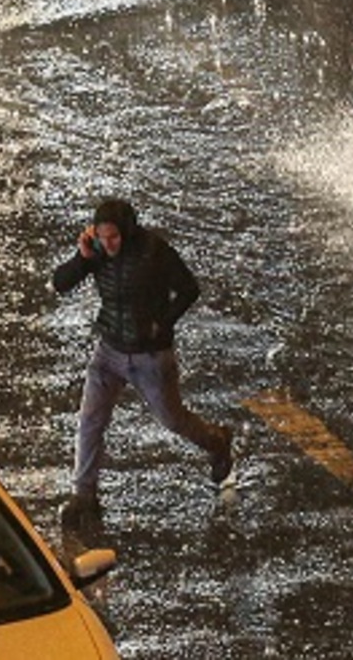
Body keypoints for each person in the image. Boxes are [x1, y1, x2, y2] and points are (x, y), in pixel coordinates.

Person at [53, 198, 234, 525]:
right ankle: (84, 495)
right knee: (90, 419)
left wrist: (162, 323)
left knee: (173, 419)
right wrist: (82, 259)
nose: (109, 245)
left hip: (150, 356)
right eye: (103, 237)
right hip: (108, 351)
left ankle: (217, 441)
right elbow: (60, 283)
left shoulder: (154, 251)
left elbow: (188, 288)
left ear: (128, 232)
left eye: (114, 238)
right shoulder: (95, 252)